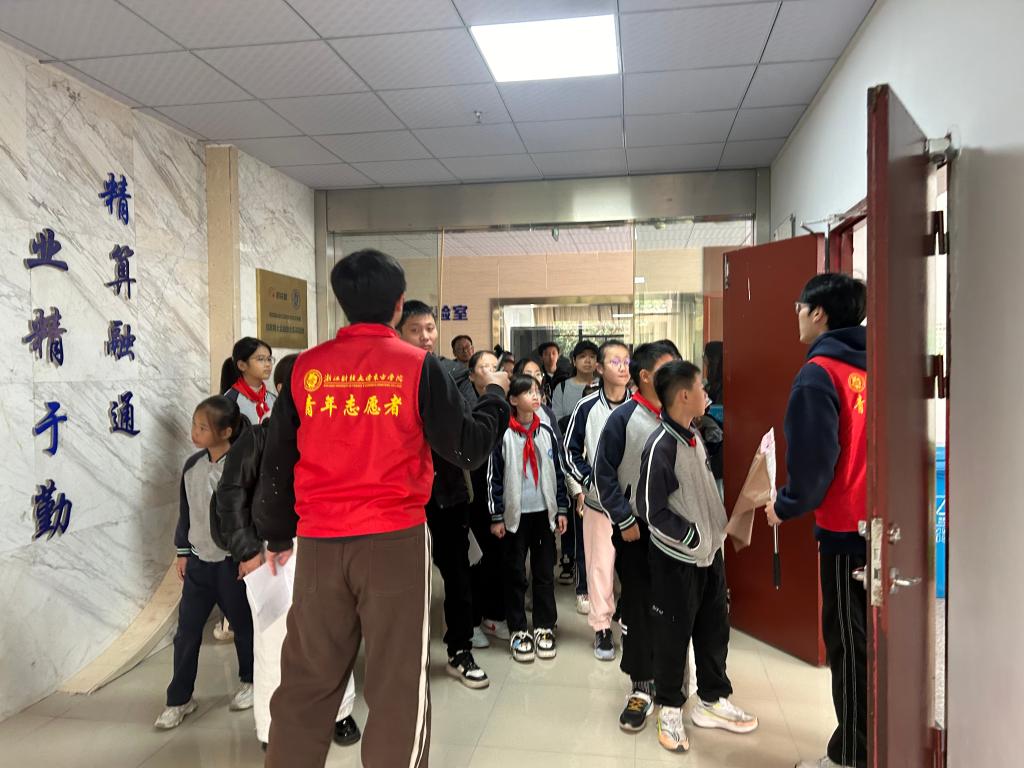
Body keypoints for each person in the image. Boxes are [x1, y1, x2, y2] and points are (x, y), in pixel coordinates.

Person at [253, 249, 509, 768]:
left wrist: (277, 534)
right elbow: (466, 449)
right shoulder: (418, 367)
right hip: (393, 541)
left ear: (341, 302)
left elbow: (277, 459)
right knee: (396, 683)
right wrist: (494, 399)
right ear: (397, 305)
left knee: (306, 681)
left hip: (318, 543)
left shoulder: (305, 368)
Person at [216, 354, 361, 750]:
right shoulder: (258, 438)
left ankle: (339, 711)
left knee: (334, 633)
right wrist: (247, 551)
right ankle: (272, 727)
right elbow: (231, 496)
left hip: (327, 547)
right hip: (270, 553)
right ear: (284, 390)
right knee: (274, 641)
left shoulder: (333, 433)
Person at [764, 273, 868, 768]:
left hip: (845, 531)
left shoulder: (819, 374)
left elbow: (814, 467)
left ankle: (851, 755)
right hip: (881, 525)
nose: (797, 316)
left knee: (848, 645)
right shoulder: (875, 365)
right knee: (870, 643)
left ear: (818, 313)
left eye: (799, 307)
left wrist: (784, 505)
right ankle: (866, 741)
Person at [637, 361, 759, 754]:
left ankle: (712, 699)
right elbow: (650, 508)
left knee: (713, 629)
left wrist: (713, 536)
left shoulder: (694, 435)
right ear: (684, 395)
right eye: (702, 388)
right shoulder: (661, 445)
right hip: (677, 561)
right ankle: (670, 708)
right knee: (672, 636)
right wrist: (691, 536)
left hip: (709, 556)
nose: (707, 394)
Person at [397, 301, 490, 687]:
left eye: (430, 328)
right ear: (399, 332)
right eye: (415, 329)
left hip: (448, 492)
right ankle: (407, 655)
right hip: (403, 498)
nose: (425, 336)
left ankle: (459, 649)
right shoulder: (391, 377)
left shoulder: (451, 374)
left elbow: (467, 427)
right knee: (404, 581)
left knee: (457, 573)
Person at [593, 341, 678, 732]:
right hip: (636, 532)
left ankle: (673, 684)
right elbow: (603, 474)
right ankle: (642, 686)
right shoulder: (623, 418)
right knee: (640, 608)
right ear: (645, 376)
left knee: (675, 608)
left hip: (676, 533)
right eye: (666, 368)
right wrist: (624, 518)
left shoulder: (682, 414)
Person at [155, 396, 254, 730]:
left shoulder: (240, 466)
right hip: (199, 564)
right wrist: (183, 551)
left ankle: (251, 681)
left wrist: (247, 555)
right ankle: (179, 699)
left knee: (244, 627)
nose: (194, 433)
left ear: (226, 432)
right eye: (194, 425)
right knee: (186, 633)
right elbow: (186, 512)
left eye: (202, 427)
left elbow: (248, 516)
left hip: (231, 564)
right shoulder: (192, 466)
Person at [488, 375, 569, 663]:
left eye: (537, 392)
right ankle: (518, 629)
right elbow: (494, 478)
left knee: (544, 572)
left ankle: (545, 626)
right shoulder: (503, 435)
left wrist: (561, 509)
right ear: (513, 399)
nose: (535, 397)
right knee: (515, 574)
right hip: (515, 517)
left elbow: (558, 472)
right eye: (527, 392)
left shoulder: (546, 431)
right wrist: (497, 516)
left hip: (543, 514)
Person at [565, 340, 631, 661]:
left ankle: (631, 623)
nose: (623, 367)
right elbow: (570, 450)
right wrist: (590, 481)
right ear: (601, 369)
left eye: (626, 361)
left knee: (634, 568)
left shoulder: (641, 406)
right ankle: (602, 627)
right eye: (615, 362)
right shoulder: (587, 406)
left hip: (634, 505)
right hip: (598, 504)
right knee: (600, 567)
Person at [464, 350, 511, 645]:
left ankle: (494, 616)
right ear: (471, 375)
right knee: (474, 560)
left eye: (495, 366)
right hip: (473, 496)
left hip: (502, 496)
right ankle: (472, 621)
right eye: (484, 367)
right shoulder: (465, 406)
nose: (492, 371)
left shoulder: (509, 405)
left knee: (499, 558)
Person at [221, 337, 276, 426]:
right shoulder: (230, 400)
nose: (267, 364)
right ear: (242, 365)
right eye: (260, 359)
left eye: (269, 359)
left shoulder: (273, 399)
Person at [551, 340, 599, 431]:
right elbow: (556, 422)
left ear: (597, 362)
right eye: (582, 356)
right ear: (574, 361)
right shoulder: (561, 388)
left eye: (592, 357)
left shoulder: (604, 386)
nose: (588, 361)